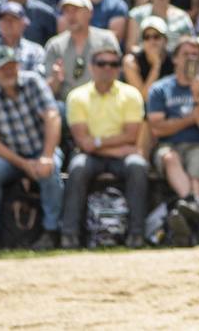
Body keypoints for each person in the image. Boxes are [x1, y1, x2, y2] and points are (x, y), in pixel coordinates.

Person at [0, 45, 64, 251]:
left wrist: (47, 157)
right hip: (9, 157)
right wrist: (24, 165)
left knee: (51, 171)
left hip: (41, 149)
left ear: (18, 66)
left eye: (12, 66)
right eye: (3, 67)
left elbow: (52, 117)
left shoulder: (33, 82)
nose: (8, 71)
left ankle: (51, 232)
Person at [62, 46, 150, 249]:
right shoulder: (77, 96)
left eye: (113, 64)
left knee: (137, 165)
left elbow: (131, 135)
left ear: (119, 68)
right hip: (93, 156)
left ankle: (137, 235)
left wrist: (98, 143)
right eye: (102, 63)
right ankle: (69, 235)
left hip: (118, 156)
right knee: (77, 167)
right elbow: (83, 142)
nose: (107, 68)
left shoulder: (131, 94)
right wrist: (113, 148)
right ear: (92, 67)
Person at [146, 36, 199, 238]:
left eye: (195, 55)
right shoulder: (160, 88)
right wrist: (191, 119)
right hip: (168, 146)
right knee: (169, 158)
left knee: (196, 175)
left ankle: (190, 216)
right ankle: (198, 214)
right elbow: (157, 129)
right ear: (174, 59)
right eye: (186, 54)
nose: (191, 59)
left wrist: (197, 99)